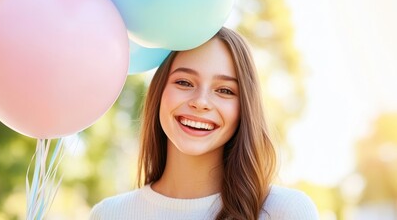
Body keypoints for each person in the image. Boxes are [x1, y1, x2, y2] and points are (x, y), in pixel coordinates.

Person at [90, 27, 319, 219]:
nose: (200, 102)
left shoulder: (285, 212)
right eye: (184, 82)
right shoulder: (109, 214)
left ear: (244, 109)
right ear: (159, 92)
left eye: (225, 90)